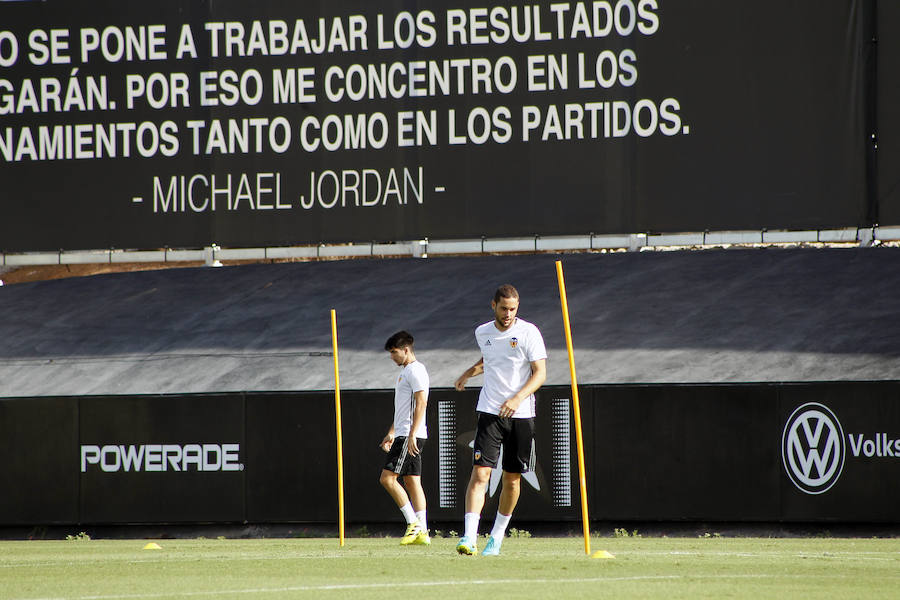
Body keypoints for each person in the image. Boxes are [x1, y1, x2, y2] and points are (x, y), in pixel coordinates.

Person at [454, 284, 547, 556]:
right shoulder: (482, 332)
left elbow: (540, 373)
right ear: (493, 305)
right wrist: (468, 373)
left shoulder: (529, 332)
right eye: (504, 308)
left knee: (512, 480)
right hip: (490, 411)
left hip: (520, 414)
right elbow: (490, 358)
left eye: (513, 309)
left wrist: (517, 399)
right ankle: (469, 537)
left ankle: (496, 537)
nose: (508, 314)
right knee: (481, 473)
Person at [379, 330, 431, 546]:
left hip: (410, 435)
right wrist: (392, 431)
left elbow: (421, 402)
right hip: (405, 433)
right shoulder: (406, 372)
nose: (392, 357)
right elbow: (404, 409)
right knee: (412, 482)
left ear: (406, 350)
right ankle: (424, 531)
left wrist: (411, 434)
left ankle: (414, 524)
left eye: (394, 352)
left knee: (387, 479)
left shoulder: (416, 371)